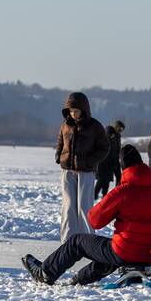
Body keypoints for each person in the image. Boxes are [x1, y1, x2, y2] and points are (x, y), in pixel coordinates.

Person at [22, 145, 151, 286]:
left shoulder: (123, 191)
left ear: (123, 168)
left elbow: (94, 221)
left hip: (126, 252)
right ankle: (79, 279)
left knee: (76, 242)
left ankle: (46, 272)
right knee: (111, 250)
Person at [54, 92, 111, 241]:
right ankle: (67, 241)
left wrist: (91, 161)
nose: (73, 114)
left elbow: (104, 148)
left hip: (86, 171)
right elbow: (60, 141)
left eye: (76, 111)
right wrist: (59, 155)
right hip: (67, 170)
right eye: (71, 111)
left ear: (84, 110)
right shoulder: (65, 125)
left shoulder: (95, 126)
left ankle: (88, 241)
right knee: (68, 207)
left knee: (84, 208)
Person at [94, 121, 124, 199]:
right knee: (102, 180)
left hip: (113, 160)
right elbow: (106, 145)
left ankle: (110, 195)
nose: (121, 131)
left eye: (122, 130)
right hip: (104, 161)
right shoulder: (109, 131)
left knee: (114, 178)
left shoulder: (117, 136)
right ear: (116, 127)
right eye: (120, 129)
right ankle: (95, 194)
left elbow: (116, 149)